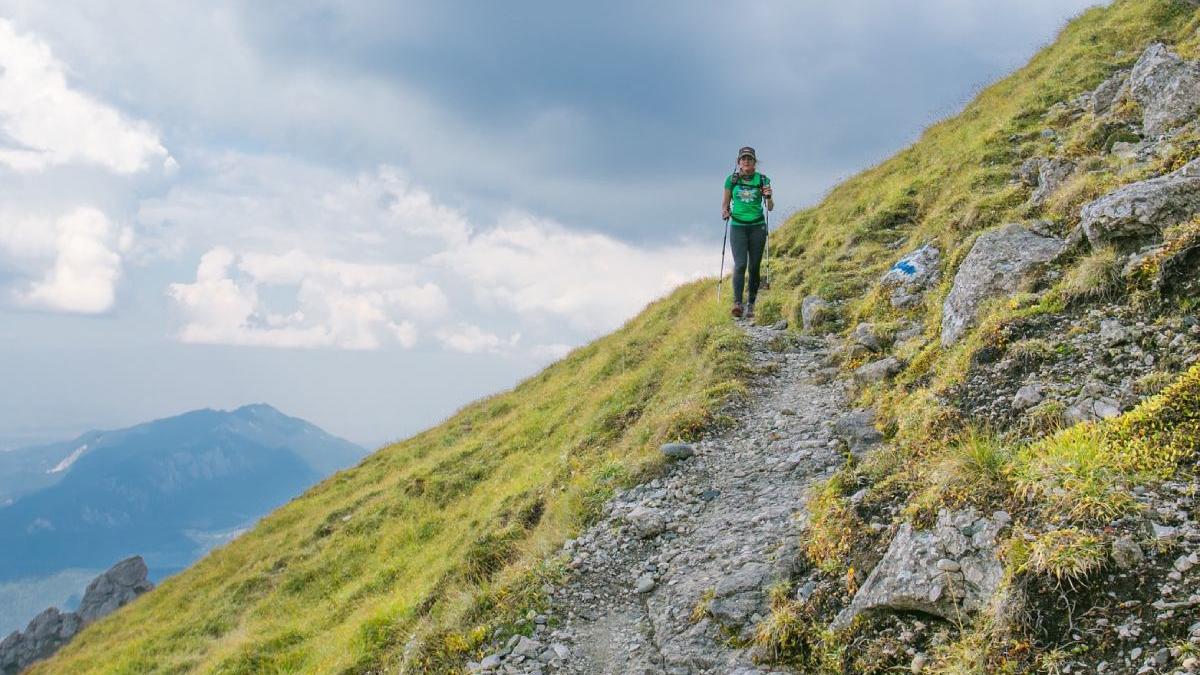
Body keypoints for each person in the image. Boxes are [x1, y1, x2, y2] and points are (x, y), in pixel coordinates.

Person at [721, 146, 773, 318]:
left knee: (754, 266)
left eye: (749, 159)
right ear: (738, 162)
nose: (746, 161)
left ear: (754, 162)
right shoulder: (731, 180)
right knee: (741, 264)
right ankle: (737, 303)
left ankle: (751, 303)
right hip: (738, 226)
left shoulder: (763, 180)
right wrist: (725, 212)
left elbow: (770, 208)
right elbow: (725, 204)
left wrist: (769, 196)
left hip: (757, 226)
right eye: (743, 159)